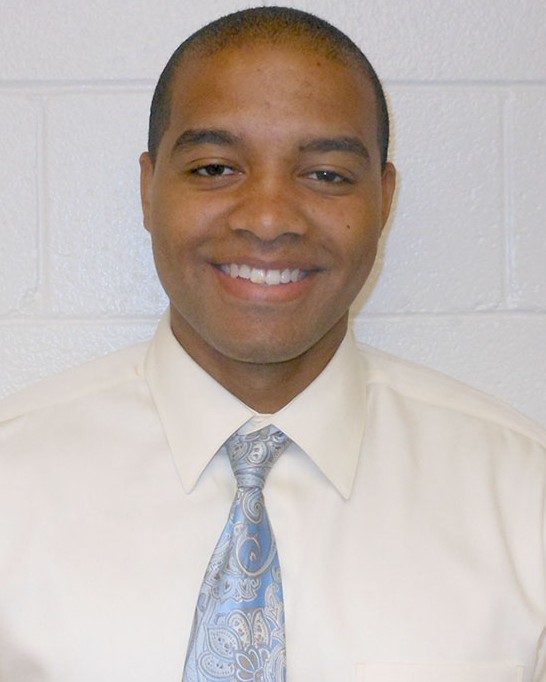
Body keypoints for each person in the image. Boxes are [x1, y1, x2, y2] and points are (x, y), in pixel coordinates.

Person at [0, 6, 544, 681]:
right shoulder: (13, 484)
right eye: (214, 168)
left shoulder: (524, 499)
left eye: (325, 175)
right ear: (149, 189)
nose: (267, 220)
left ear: (383, 200)